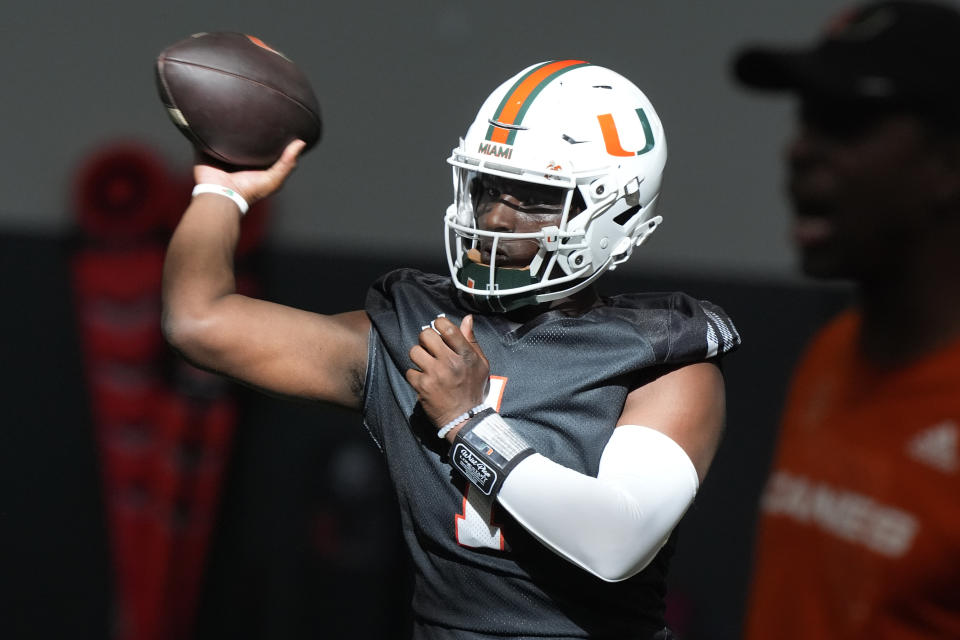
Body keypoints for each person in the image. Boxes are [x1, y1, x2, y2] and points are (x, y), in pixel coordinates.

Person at [162, 60, 740, 639]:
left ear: (616, 215)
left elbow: (617, 542)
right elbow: (200, 322)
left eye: (537, 198)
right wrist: (221, 191)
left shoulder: (663, 358)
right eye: (487, 188)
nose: (495, 217)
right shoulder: (416, 325)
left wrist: (469, 424)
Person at [733, 2, 960, 638]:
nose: (801, 150)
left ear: (948, 165)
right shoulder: (831, 353)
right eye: (806, 119)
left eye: (845, 123)